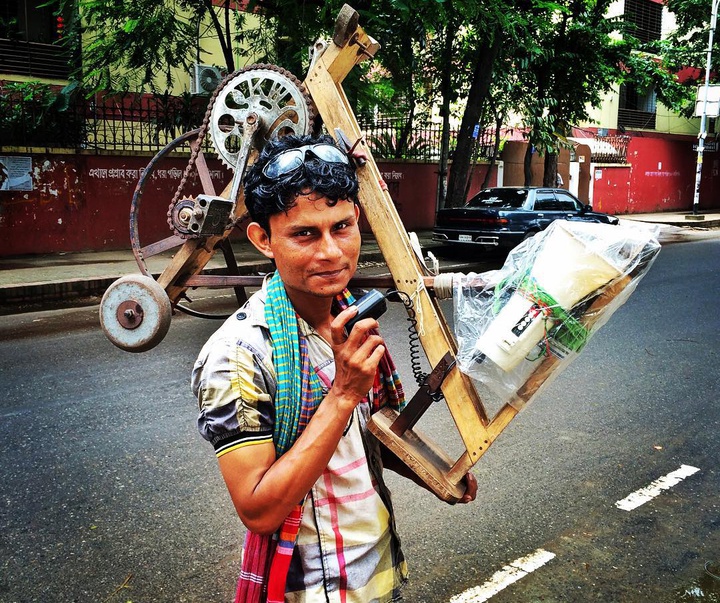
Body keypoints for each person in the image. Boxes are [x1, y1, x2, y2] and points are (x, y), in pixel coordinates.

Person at [191, 134, 477, 603]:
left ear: (357, 221)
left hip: (379, 573)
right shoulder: (238, 355)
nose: (330, 252)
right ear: (263, 239)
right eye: (304, 233)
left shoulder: (350, 316)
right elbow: (259, 511)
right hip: (309, 589)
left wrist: (437, 475)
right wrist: (343, 393)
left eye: (340, 227)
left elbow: (375, 433)